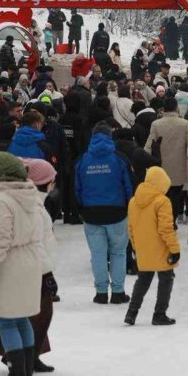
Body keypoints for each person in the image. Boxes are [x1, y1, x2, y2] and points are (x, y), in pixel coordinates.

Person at [0, 152, 45, 376]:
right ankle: (26, 375)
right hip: (29, 263)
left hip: (8, 266)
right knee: (21, 317)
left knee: (5, 319)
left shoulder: (2, 201)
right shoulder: (30, 195)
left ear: (0, 172)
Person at [75, 122, 133, 304]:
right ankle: (118, 292)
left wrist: (81, 208)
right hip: (117, 212)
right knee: (118, 252)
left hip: (91, 213)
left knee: (98, 254)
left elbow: (77, 188)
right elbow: (128, 186)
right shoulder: (120, 158)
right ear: (110, 136)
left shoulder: (82, 160)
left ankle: (100, 292)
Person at [124, 166, 181, 326]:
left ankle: (131, 313)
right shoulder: (162, 201)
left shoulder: (133, 201)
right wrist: (175, 249)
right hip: (162, 249)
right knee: (166, 279)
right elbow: (166, 229)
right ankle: (159, 314)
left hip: (143, 248)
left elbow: (131, 228)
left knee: (142, 280)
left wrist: (136, 248)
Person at [144, 97, 188, 223]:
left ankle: (165, 219)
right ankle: (173, 219)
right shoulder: (185, 124)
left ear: (163, 109)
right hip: (179, 166)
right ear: (176, 108)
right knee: (177, 195)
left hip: (161, 166)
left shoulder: (156, 124)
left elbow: (149, 145)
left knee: (163, 195)